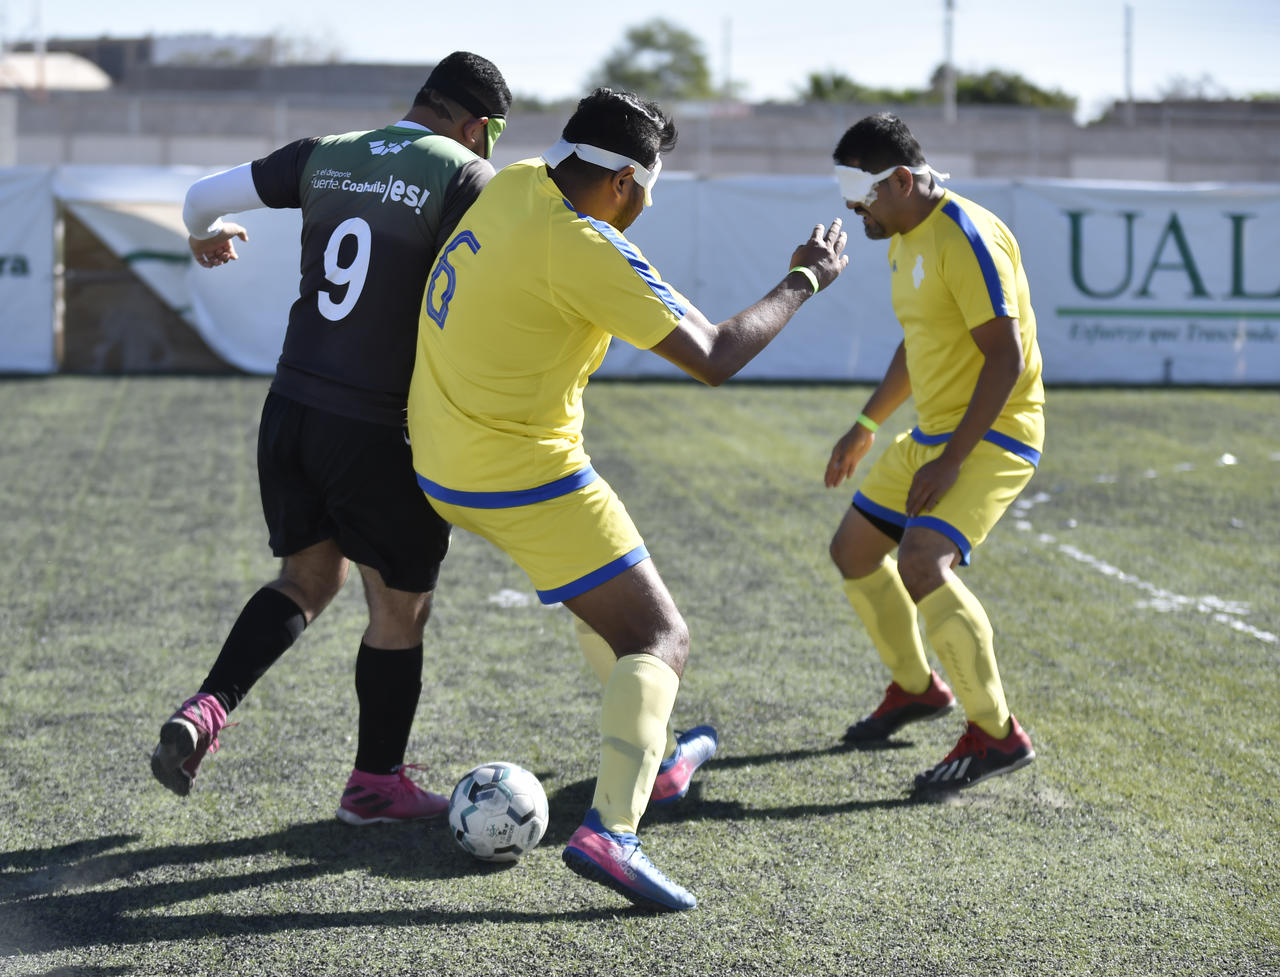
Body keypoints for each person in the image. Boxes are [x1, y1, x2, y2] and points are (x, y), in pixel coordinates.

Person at [406, 88, 848, 911]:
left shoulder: (518, 180)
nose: (647, 205)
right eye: (648, 189)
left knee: (603, 592)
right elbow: (714, 353)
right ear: (621, 183)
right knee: (659, 634)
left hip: (438, 458)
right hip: (518, 470)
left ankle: (659, 753)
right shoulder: (584, 245)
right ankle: (612, 829)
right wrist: (805, 278)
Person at [149, 52, 512, 826]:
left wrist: (204, 238)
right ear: (478, 126)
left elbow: (200, 199)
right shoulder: (467, 177)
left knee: (307, 580)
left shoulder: (325, 153)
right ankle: (374, 784)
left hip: (291, 407)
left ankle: (207, 707)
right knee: (399, 608)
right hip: (378, 426)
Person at [825, 113, 1043, 793]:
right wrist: (867, 422)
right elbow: (918, 342)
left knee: (922, 560)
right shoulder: (903, 235)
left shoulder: (967, 236)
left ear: (900, 181)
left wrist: (951, 462)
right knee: (854, 552)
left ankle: (997, 734)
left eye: (860, 193)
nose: (852, 208)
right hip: (935, 434)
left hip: (995, 434)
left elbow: (1005, 359)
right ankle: (918, 689)